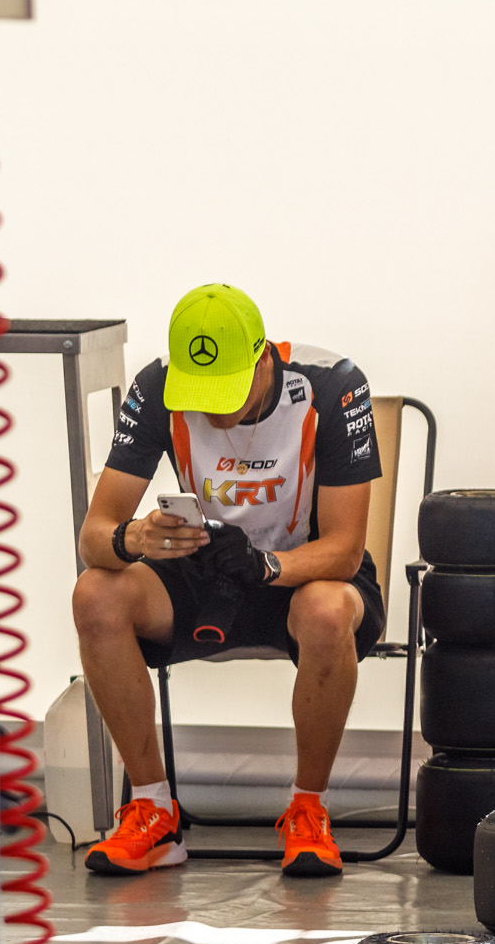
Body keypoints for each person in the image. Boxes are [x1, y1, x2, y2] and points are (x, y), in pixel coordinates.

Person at [72, 283, 385, 878]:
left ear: (263, 358)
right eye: (202, 394)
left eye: (228, 391)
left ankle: (308, 808)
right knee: (95, 594)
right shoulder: (156, 387)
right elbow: (94, 536)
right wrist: (136, 538)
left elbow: (345, 551)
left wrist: (267, 565)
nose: (215, 412)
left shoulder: (334, 385)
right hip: (203, 576)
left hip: (305, 576)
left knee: (325, 610)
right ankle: (153, 809)